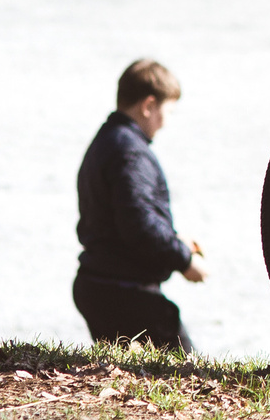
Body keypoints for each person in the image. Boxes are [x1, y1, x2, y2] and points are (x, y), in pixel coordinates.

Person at [73, 58, 205, 353]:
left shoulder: (105, 141)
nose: (166, 122)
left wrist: (174, 240)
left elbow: (120, 217)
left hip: (96, 282)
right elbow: (138, 222)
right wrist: (184, 259)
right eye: (167, 111)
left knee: (117, 369)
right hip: (125, 291)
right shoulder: (131, 152)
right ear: (148, 106)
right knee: (187, 372)